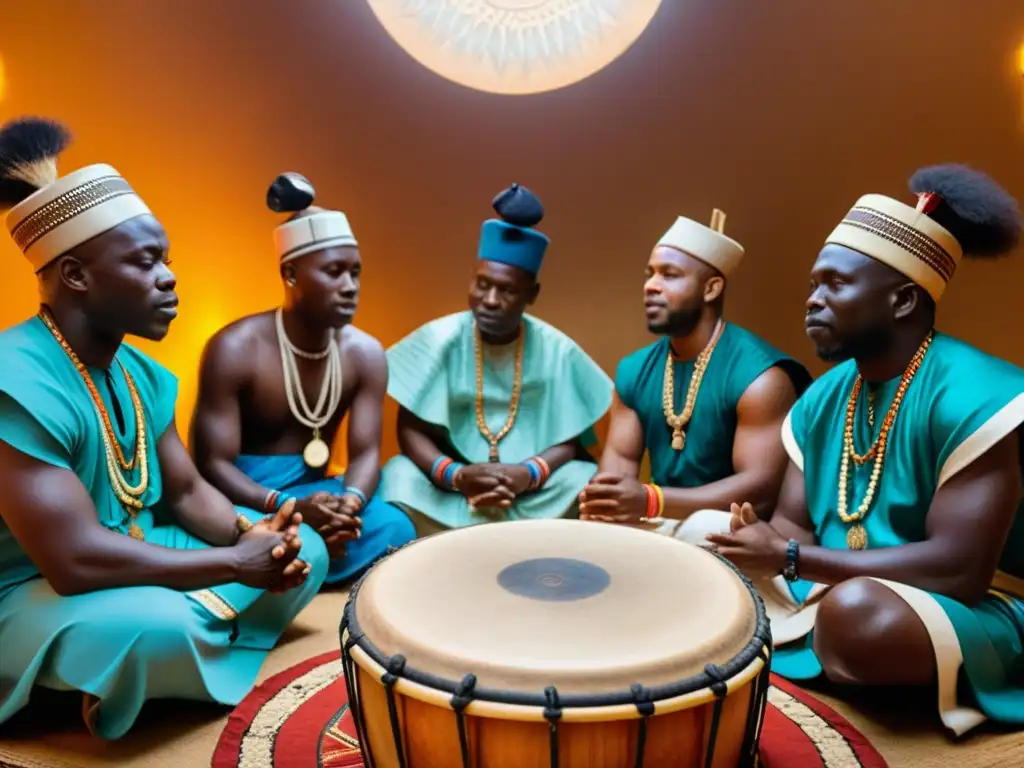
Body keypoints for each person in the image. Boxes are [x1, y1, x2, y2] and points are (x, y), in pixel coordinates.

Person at [0, 118, 328, 740]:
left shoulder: (140, 373)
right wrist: (234, 565)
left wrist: (249, 531)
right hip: (28, 588)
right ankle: (154, 652)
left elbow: (183, 492)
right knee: (157, 626)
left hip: (135, 547)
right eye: (146, 262)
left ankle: (132, 672)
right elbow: (69, 559)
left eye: (166, 260)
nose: (169, 277)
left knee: (304, 548)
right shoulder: (13, 376)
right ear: (76, 275)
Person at [704, 164, 1024, 735]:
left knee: (857, 619)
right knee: (701, 553)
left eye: (835, 284)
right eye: (812, 286)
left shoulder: (977, 392)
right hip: (829, 590)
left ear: (902, 300)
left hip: (964, 606)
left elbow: (960, 570)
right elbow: (791, 529)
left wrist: (791, 558)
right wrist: (753, 545)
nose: (812, 301)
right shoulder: (823, 399)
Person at [190, 173, 415, 585]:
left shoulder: (365, 354)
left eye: (355, 273)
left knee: (395, 527)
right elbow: (211, 465)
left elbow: (365, 454)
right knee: (252, 535)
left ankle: (308, 561)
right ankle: (299, 560)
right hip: (252, 499)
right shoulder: (235, 347)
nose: (350, 287)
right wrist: (289, 504)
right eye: (334, 272)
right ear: (291, 274)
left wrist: (349, 503)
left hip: (320, 493)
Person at [379, 184, 613, 535]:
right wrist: (456, 476)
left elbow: (570, 437)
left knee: (586, 480)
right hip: (453, 490)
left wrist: (528, 475)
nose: (489, 299)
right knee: (397, 476)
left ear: (531, 295)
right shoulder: (439, 339)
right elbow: (410, 427)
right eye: (482, 284)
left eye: (506, 290)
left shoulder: (556, 350)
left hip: (530, 491)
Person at [579, 209, 811, 539]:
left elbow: (759, 490)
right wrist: (605, 504)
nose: (650, 286)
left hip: (736, 526)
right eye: (650, 274)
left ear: (711, 288)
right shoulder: (634, 370)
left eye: (669, 275)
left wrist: (653, 499)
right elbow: (617, 469)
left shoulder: (760, 377)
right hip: (659, 518)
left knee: (705, 529)